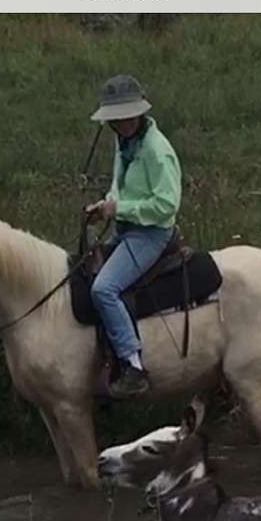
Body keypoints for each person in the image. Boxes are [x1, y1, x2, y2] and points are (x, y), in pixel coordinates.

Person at [87, 74, 182, 398]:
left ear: (139, 113)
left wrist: (120, 209)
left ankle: (132, 364)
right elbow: (119, 183)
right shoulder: (124, 142)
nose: (122, 123)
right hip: (126, 229)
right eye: (116, 118)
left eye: (127, 116)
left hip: (151, 234)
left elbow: (166, 204)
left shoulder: (157, 150)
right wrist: (107, 204)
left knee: (104, 289)